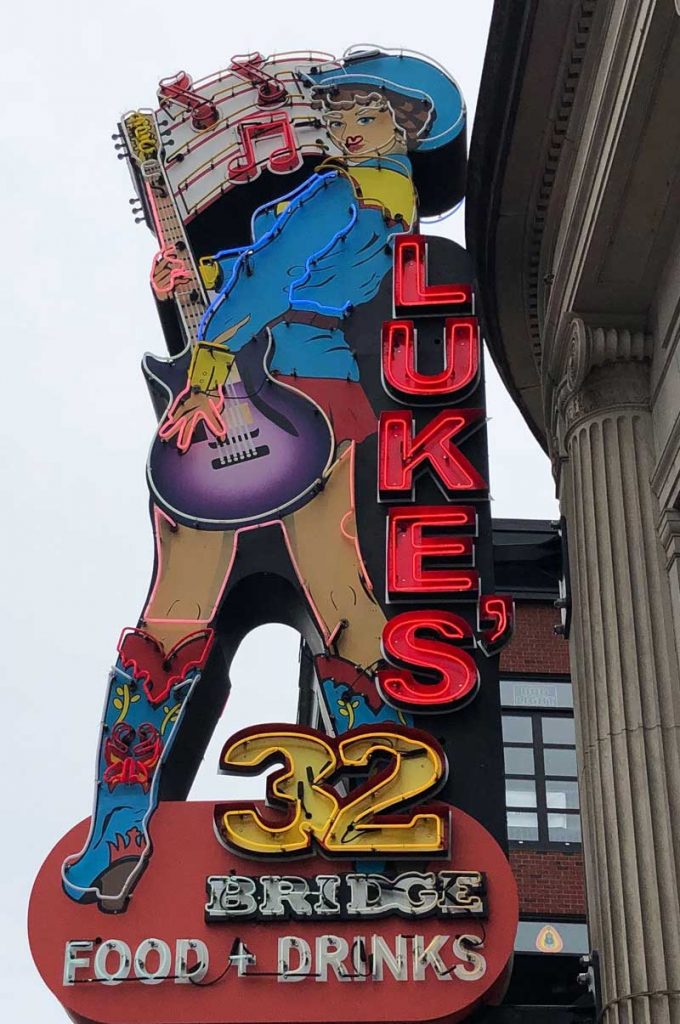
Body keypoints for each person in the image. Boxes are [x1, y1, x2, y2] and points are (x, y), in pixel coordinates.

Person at [62, 50, 465, 910]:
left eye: (363, 109)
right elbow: (296, 281)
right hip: (329, 393)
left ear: (407, 124)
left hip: (250, 385)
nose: (344, 122)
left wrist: (208, 355)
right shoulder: (386, 204)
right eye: (338, 109)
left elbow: (271, 275)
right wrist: (193, 282)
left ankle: (122, 823)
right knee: (346, 599)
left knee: (176, 607)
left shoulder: (335, 192)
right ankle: (380, 819)